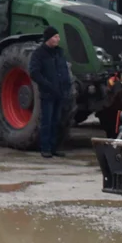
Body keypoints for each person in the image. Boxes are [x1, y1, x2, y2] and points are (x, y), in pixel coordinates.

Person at [29, 26, 71, 158]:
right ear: (49, 38)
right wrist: (47, 85)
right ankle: (45, 148)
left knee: (57, 121)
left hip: (60, 92)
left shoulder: (59, 53)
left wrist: (67, 86)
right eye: (56, 36)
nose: (58, 39)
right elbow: (34, 72)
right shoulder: (39, 54)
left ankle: (54, 147)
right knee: (46, 121)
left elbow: (64, 70)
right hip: (48, 93)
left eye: (58, 36)